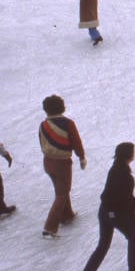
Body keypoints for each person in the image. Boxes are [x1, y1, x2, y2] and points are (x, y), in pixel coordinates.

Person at [72, 142, 135, 271]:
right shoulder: (127, 177)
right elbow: (127, 202)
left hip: (104, 212)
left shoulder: (114, 169)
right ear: (130, 156)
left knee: (102, 248)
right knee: (134, 236)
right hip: (115, 214)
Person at [39, 94, 87, 239]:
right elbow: (76, 141)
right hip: (62, 163)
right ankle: (49, 228)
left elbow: (41, 142)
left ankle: (67, 214)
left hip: (48, 161)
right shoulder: (67, 123)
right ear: (62, 107)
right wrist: (81, 156)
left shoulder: (43, 124)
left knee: (61, 189)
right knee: (62, 193)